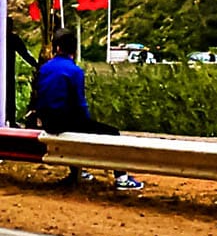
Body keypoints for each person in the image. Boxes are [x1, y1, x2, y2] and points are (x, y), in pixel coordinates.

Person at [26, 28, 139, 190]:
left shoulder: (45, 68)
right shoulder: (74, 71)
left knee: (76, 128)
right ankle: (121, 178)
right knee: (112, 133)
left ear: (57, 48)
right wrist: (86, 120)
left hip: (48, 122)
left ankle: (77, 173)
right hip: (65, 122)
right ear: (74, 49)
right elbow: (80, 102)